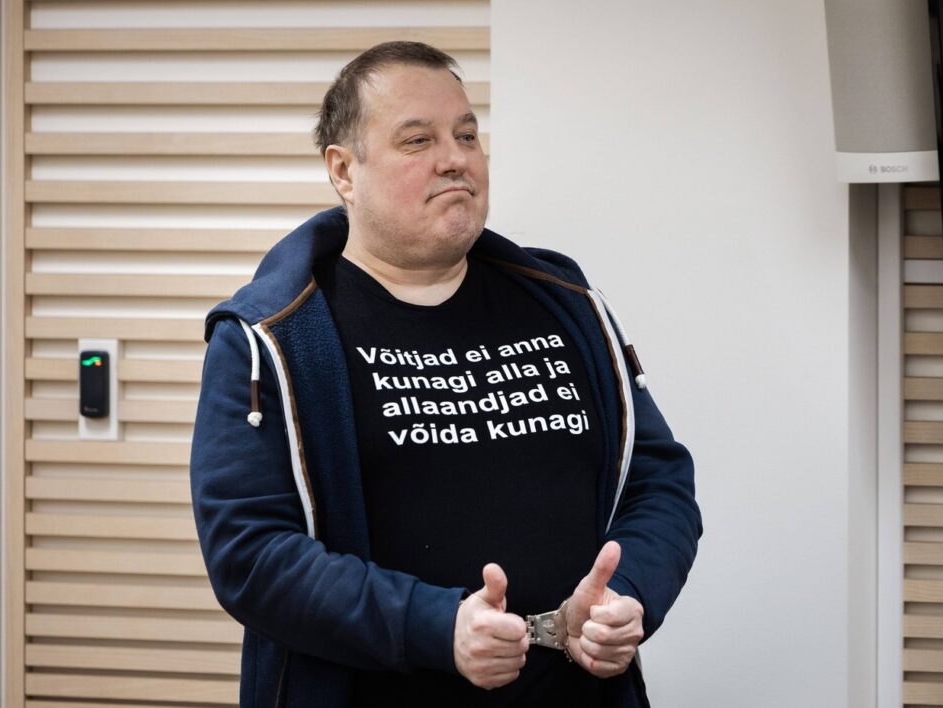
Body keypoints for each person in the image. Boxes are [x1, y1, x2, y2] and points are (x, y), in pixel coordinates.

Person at [190, 41, 700, 707]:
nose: (454, 157)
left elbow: (658, 482)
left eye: (466, 134)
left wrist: (628, 595)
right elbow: (251, 554)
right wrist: (435, 627)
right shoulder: (271, 337)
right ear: (344, 171)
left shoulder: (567, 304)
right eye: (417, 140)